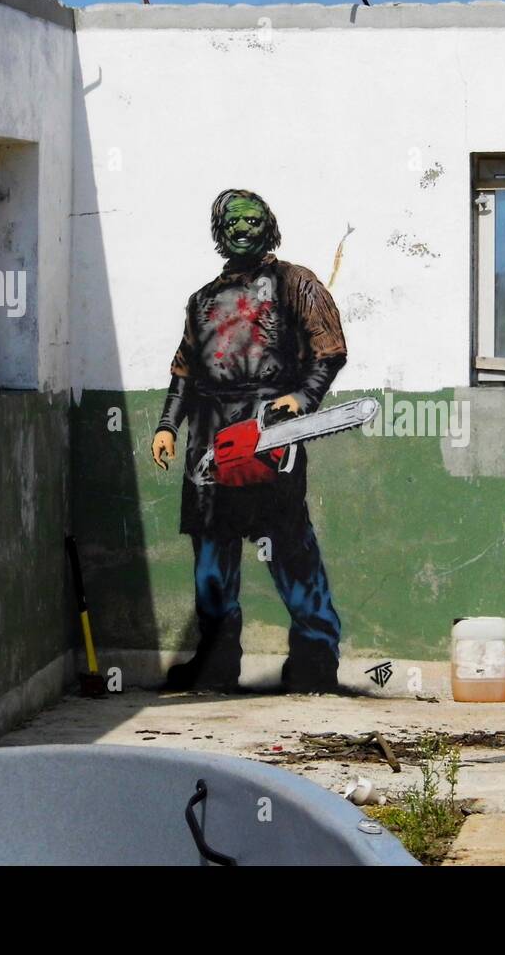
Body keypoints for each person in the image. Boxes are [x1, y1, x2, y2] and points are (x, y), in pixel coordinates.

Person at [151, 189, 347, 693]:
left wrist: (301, 400)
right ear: (220, 229)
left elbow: (330, 351)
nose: (243, 228)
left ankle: (315, 660)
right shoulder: (201, 301)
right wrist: (168, 426)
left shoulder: (296, 284)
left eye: (253, 219)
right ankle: (216, 664)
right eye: (234, 221)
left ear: (269, 225)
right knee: (212, 556)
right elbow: (184, 373)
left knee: (290, 548)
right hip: (209, 440)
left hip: (270, 432)